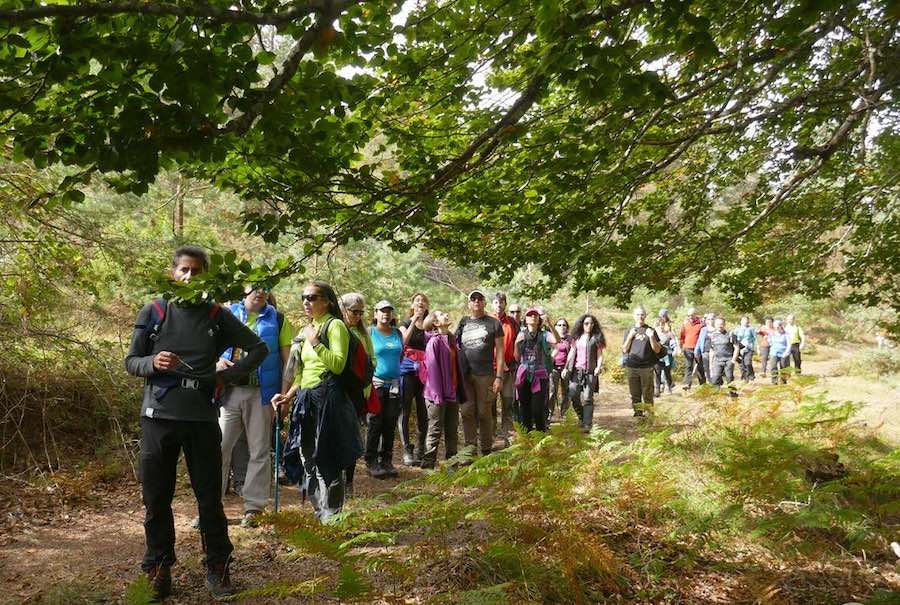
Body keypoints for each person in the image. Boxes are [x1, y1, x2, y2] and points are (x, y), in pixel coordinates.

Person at [125, 245, 267, 600]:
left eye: (197, 271)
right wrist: (153, 362)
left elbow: (258, 348)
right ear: (173, 273)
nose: (189, 277)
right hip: (158, 417)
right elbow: (131, 361)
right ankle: (158, 568)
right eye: (184, 270)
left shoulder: (216, 314)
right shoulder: (155, 310)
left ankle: (217, 568)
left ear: (206, 275)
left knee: (209, 499)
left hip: (203, 418)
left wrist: (227, 376)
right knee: (156, 498)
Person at [271, 282, 363, 523]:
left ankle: (331, 516)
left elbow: (337, 364)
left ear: (328, 301)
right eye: (303, 297)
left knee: (327, 456)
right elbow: (302, 374)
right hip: (306, 400)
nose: (306, 302)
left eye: (312, 297)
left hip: (329, 398)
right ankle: (319, 512)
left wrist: (315, 343)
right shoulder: (307, 329)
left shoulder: (335, 327)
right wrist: (288, 395)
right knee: (307, 456)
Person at [217, 285, 293, 529]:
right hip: (228, 391)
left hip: (263, 393)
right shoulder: (226, 314)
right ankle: (210, 505)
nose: (259, 291)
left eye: (265, 286)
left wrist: (283, 394)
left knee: (259, 450)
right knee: (219, 448)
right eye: (254, 286)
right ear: (244, 289)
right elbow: (209, 347)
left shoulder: (278, 319)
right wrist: (217, 361)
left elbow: (288, 361)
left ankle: (254, 507)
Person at [455, 289, 505, 456]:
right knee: (467, 411)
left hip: (485, 374)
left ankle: (486, 449)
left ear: (484, 302)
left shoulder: (493, 323)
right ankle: (469, 449)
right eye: (473, 299)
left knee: (484, 412)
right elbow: (455, 346)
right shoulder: (463, 322)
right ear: (469, 303)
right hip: (465, 374)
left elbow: (499, 351)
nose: (476, 301)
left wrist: (499, 376)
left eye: (480, 299)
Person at [365, 300, 404, 479]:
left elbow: (400, 355)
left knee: (390, 422)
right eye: (382, 311)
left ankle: (386, 460)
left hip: (395, 384)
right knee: (375, 422)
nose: (385, 314)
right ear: (375, 314)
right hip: (377, 384)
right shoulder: (370, 332)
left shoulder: (397, 333)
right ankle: (371, 460)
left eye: (388, 311)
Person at [340, 292, 374, 497]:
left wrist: (364, 378)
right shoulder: (337, 329)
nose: (358, 316)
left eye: (361, 312)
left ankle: (349, 482)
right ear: (343, 309)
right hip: (339, 392)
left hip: (358, 394)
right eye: (354, 311)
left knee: (352, 437)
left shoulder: (363, 334)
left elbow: (372, 359)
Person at [421, 310, 464, 469]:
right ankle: (428, 465)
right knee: (435, 430)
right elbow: (432, 371)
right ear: (435, 323)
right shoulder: (434, 342)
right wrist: (438, 396)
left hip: (452, 392)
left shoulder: (451, 339)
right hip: (436, 394)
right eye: (441, 314)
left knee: (452, 429)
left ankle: (452, 465)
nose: (446, 314)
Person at [514, 308, 559, 432]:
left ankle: (540, 436)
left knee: (537, 409)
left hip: (540, 376)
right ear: (526, 319)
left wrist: (549, 323)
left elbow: (557, 340)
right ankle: (527, 438)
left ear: (539, 319)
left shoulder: (545, 334)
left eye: (535, 315)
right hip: (524, 376)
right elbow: (516, 356)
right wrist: (516, 344)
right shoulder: (522, 334)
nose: (533, 317)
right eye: (530, 315)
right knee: (524, 408)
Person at [398, 293, 429, 466]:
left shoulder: (429, 325)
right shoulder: (405, 323)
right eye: (417, 300)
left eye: (423, 301)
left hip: (425, 373)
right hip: (407, 371)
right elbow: (403, 341)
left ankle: (421, 450)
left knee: (423, 412)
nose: (420, 303)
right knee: (405, 410)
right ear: (412, 304)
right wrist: (414, 320)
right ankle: (406, 450)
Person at [562, 314, 605, 430]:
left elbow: (600, 355)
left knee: (588, 398)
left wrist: (598, 367)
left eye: (591, 323)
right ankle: (581, 417)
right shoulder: (576, 338)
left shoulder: (597, 338)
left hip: (590, 372)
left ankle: (587, 423)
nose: (589, 325)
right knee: (573, 394)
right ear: (582, 324)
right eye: (586, 323)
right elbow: (571, 353)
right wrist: (566, 367)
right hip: (576, 371)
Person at [622, 306, 662, 417]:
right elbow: (624, 349)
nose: (640, 317)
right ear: (633, 316)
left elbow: (657, 349)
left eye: (642, 314)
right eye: (638, 314)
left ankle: (649, 415)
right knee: (634, 394)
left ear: (645, 315)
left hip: (647, 367)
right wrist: (630, 337)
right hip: (632, 366)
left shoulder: (651, 330)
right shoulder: (629, 330)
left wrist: (651, 337)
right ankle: (638, 414)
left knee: (648, 393)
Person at [491, 292, 518, 447]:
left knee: (508, 403)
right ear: (492, 304)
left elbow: (517, 344)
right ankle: (492, 438)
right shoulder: (488, 321)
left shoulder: (512, 323)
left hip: (508, 370)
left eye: (501, 302)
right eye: (496, 302)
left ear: (505, 304)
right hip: (491, 370)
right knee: (491, 405)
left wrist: (513, 363)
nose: (499, 305)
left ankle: (508, 438)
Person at [548, 318, 572, 421]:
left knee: (566, 392)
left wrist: (566, 367)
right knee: (552, 392)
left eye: (564, 325)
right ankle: (549, 413)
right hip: (553, 368)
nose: (562, 327)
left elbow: (572, 354)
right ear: (555, 326)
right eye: (559, 325)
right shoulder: (550, 337)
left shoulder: (570, 339)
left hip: (565, 368)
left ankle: (564, 414)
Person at [707, 317, 740, 387]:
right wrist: (710, 364)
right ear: (715, 325)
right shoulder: (712, 336)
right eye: (718, 324)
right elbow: (711, 350)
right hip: (717, 360)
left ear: (724, 324)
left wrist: (733, 360)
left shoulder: (730, 335)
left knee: (729, 379)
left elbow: (737, 347)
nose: (720, 326)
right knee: (715, 379)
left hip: (728, 360)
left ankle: (733, 396)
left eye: (721, 324)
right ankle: (716, 396)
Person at [679, 307, 705, 389]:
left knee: (700, 366)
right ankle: (687, 384)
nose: (690, 317)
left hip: (698, 348)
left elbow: (703, 336)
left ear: (695, 315)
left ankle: (703, 385)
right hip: (687, 348)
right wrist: (681, 346)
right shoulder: (685, 324)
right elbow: (682, 336)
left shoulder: (701, 324)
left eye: (692, 315)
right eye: (689, 315)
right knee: (688, 366)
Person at [654, 309, 677, 396]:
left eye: (663, 324)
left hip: (668, 354)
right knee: (657, 372)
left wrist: (675, 349)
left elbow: (673, 341)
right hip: (657, 354)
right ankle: (657, 389)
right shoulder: (655, 332)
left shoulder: (669, 332)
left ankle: (669, 387)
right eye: (660, 324)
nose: (661, 326)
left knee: (667, 372)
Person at [767, 319, 792, 383]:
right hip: (774, 352)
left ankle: (783, 381)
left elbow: (789, 344)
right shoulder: (772, 334)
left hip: (783, 353)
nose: (777, 328)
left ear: (781, 326)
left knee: (783, 368)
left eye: (778, 326)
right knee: (773, 367)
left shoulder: (786, 334)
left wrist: (786, 352)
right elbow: (769, 341)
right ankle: (774, 381)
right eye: (775, 327)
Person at [733, 316, 757, 382]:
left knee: (748, 362)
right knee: (741, 364)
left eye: (746, 321)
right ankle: (744, 377)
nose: (745, 322)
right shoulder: (737, 329)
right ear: (741, 321)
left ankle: (751, 375)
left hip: (749, 348)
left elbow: (755, 338)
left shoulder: (751, 329)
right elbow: (734, 339)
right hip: (739, 348)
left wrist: (756, 347)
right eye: (743, 321)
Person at [694, 313, 716, 383]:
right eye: (708, 319)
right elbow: (699, 340)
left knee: (714, 368)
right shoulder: (703, 329)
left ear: (714, 320)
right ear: (706, 320)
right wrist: (696, 350)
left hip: (715, 352)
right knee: (707, 368)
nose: (710, 321)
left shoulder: (717, 329)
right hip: (705, 351)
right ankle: (710, 382)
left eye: (712, 319)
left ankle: (715, 382)